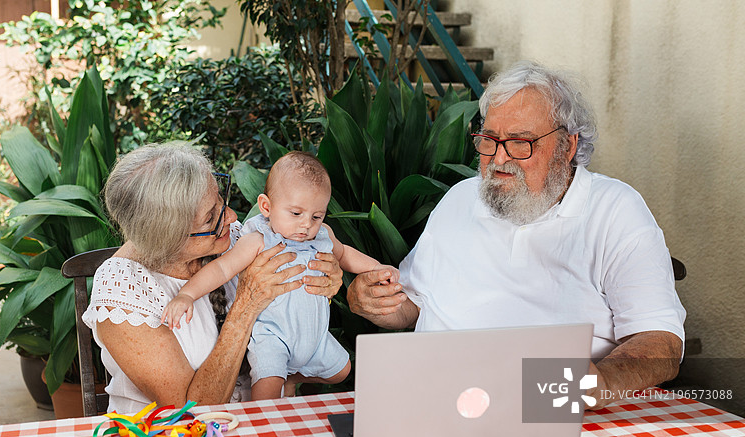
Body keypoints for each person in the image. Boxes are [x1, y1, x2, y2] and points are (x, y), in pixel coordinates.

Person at [346, 61, 686, 409]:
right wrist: (374, 302)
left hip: (549, 411)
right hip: (433, 400)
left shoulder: (614, 210)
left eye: (520, 143)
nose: (499, 159)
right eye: (489, 140)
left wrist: (601, 383)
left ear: (567, 146)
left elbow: (661, 341)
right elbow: (416, 304)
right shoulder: (461, 197)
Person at [82, 143, 344, 414]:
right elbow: (188, 411)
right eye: (210, 218)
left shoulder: (229, 239)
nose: (231, 217)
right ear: (166, 238)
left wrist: (325, 277)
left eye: (221, 200)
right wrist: (246, 304)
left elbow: (291, 310)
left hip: (255, 422)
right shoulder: (122, 292)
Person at [162, 151, 398, 400]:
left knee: (342, 370)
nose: (307, 224)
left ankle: (293, 376)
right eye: (296, 214)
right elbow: (221, 269)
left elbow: (346, 254)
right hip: (273, 337)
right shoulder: (258, 240)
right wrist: (187, 295)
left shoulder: (322, 235)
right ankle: (264, 429)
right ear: (266, 206)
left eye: (316, 216)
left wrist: (377, 268)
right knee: (266, 395)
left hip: (313, 335)